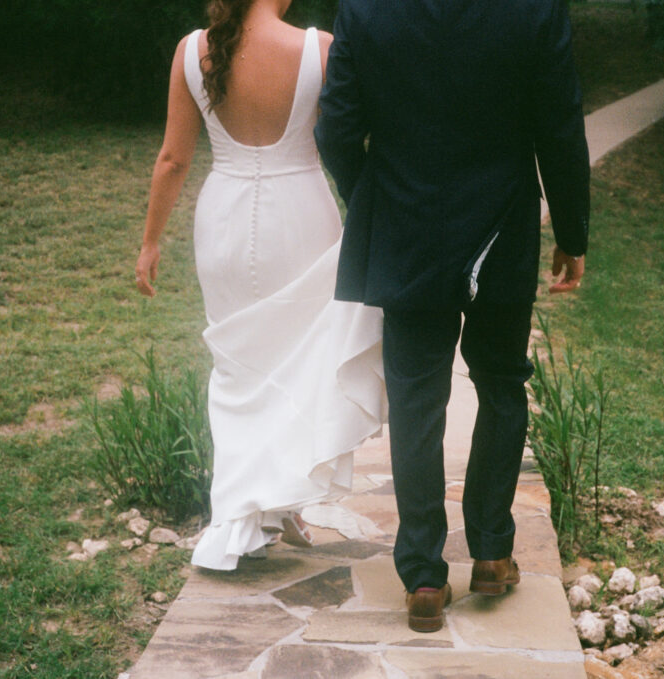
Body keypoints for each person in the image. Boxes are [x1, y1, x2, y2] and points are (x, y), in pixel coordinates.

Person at [316, 0, 590, 632]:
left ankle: (422, 577)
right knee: (500, 382)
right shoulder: (536, 10)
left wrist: (374, 195)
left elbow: (334, 128)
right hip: (502, 225)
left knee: (416, 398)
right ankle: (492, 551)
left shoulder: (365, 10)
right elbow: (559, 123)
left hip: (407, 224)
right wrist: (572, 233)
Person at [135, 0, 386, 571]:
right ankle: (269, 504)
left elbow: (173, 158)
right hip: (300, 216)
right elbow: (347, 138)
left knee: (239, 370)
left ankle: (254, 511)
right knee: (299, 364)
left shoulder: (191, 49)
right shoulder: (318, 49)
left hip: (222, 220)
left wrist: (150, 242)